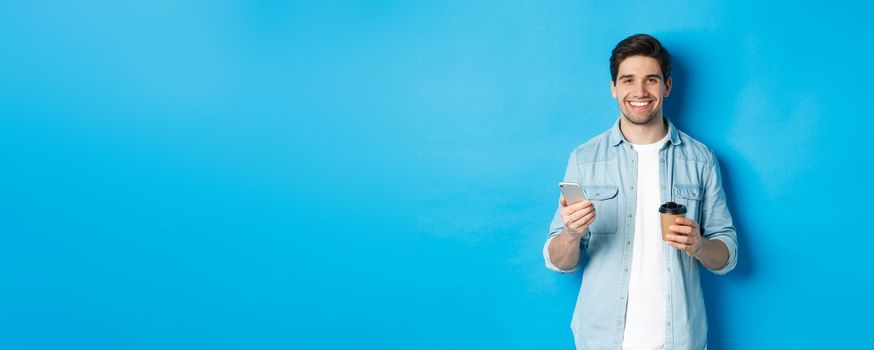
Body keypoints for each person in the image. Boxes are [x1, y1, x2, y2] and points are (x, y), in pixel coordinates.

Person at [543, 34, 738, 349]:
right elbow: (557, 260)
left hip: (680, 340)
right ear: (613, 88)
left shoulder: (700, 159)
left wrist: (700, 245)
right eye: (627, 80)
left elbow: (727, 256)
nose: (639, 92)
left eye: (651, 80)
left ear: (667, 87)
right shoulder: (585, 159)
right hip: (601, 339)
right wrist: (571, 234)